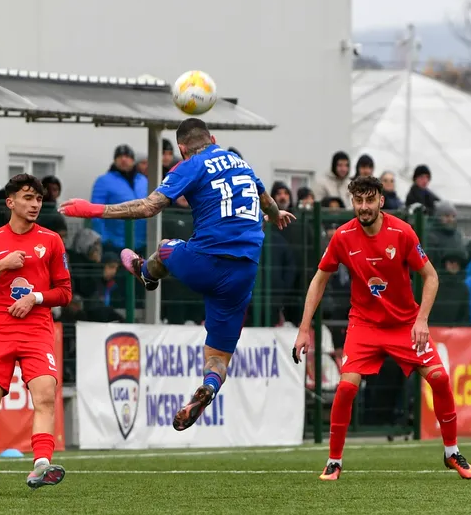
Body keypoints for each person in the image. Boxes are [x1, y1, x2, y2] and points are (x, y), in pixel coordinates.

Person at [59, 118, 295, 431]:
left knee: (166, 247)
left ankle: (146, 272)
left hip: (207, 262)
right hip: (244, 272)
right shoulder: (241, 163)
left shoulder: (190, 165)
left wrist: (91, 209)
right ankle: (209, 387)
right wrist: (276, 216)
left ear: (182, 149)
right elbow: (267, 202)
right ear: (213, 138)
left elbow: (148, 207)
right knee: (218, 356)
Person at [292, 175, 471, 481]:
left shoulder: (402, 232)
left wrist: (421, 320)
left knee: (440, 378)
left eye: (370, 200)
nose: (364, 207)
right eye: (358, 200)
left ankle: (451, 452)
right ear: (353, 202)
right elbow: (318, 280)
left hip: (404, 323)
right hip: (364, 325)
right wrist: (303, 329)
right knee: (346, 388)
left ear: (381, 200)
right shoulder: (342, 236)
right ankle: (334, 461)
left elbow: (431, 277)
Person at [0, 174, 72, 497]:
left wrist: (35, 297)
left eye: (38, 199)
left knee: (45, 395)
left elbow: (65, 293)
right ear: (10, 202)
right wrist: (1, 266)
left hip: (37, 330)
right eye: (27, 198)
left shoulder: (52, 240)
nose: (35, 204)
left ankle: (41, 464)